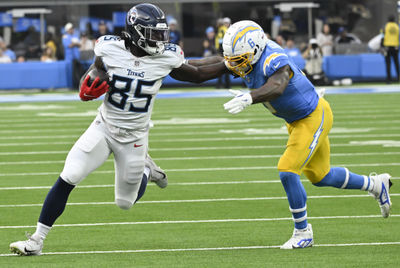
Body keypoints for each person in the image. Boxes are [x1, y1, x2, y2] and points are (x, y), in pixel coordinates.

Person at [9, 3, 227, 256]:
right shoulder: (108, 47)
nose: (159, 39)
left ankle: (147, 168)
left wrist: (230, 64)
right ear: (135, 32)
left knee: (125, 203)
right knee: (69, 175)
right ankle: (36, 240)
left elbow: (198, 72)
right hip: (103, 128)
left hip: (134, 137)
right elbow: (96, 70)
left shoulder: (166, 57)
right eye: (153, 33)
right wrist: (86, 83)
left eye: (161, 33)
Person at [221, 20, 392, 249]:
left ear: (255, 49)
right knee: (321, 176)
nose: (237, 67)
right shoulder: (254, 56)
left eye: (240, 60)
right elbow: (210, 67)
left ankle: (303, 232)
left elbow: (279, 85)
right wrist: (176, 65)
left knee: (287, 169)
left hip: (312, 117)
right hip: (298, 120)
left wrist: (250, 97)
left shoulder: (273, 58)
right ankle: (375, 184)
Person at [382, 15, 399, 83]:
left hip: (387, 47)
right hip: (395, 47)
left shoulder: (386, 26)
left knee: (388, 64)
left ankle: (389, 80)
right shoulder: (397, 27)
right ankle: (398, 78)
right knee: (396, 63)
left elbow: (382, 35)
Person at [215, 17, 231, 89]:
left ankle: (221, 84)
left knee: (222, 67)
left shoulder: (222, 30)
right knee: (225, 67)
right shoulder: (223, 30)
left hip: (223, 51)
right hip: (224, 50)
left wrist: (219, 51)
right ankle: (225, 84)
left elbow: (221, 41)